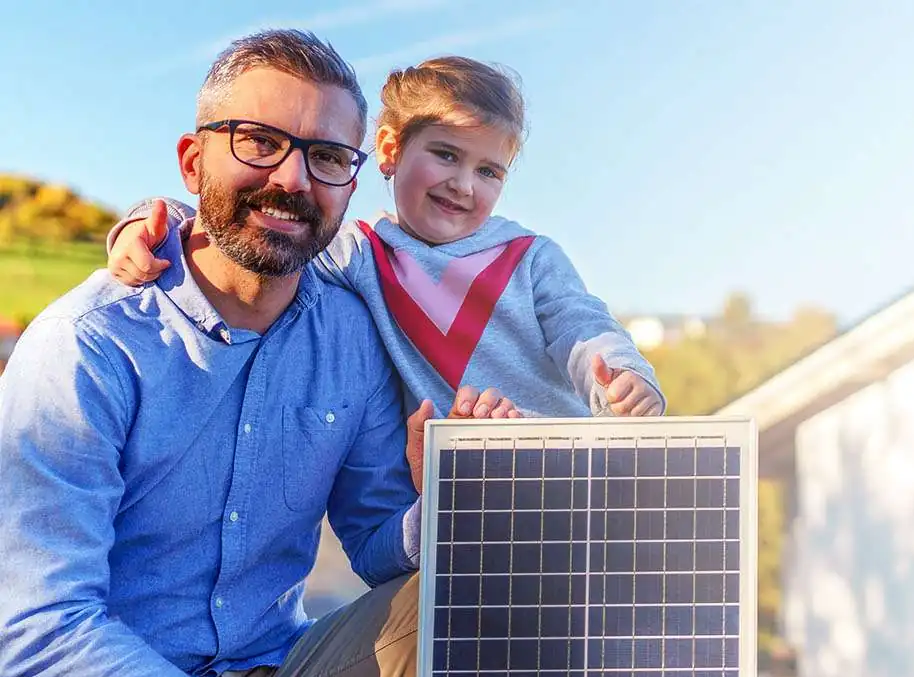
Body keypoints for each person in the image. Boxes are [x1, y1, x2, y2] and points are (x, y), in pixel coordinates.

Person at [0, 30, 520, 677]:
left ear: (352, 182)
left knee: (474, 600)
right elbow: (40, 627)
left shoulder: (351, 340)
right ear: (192, 163)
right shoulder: (86, 347)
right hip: (111, 666)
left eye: (327, 155)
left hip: (284, 664)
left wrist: (446, 494)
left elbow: (378, 550)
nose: (292, 179)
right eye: (259, 141)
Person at [105, 54, 666, 428]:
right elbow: (254, 226)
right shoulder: (359, 252)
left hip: (557, 464)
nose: (463, 184)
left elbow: (582, 325)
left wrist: (621, 376)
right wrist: (147, 223)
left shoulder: (531, 257)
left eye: (489, 171)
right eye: (445, 154)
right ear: (391, 150)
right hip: (456, 495)